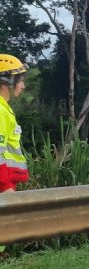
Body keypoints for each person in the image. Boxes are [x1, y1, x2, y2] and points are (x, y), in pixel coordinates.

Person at [0, 54, 30, 256]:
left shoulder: (4, 108)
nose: (23, 86)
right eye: (20, 80)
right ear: (7, 82)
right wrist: (5, 188)